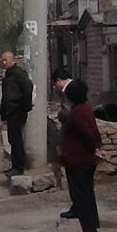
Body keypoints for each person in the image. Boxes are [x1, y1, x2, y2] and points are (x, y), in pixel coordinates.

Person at [58, 78, 102, 232]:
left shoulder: (78, 112)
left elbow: (88, 134)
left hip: (79, 160)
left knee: (81, 195)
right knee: (87, 194)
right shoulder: (85, 109)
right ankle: (92, 227)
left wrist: (93, 147)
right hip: (84, 159)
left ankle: (88, 230)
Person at [0, 50, 34, 176]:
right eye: (2, 60)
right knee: (12, 139)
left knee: (16, 139)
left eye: (5, 60)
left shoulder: (18, 73)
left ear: (12, 60)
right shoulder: (8, 74)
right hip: (10, 112)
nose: (3, 63)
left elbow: (28, 88)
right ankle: (15, 165)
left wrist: (24, 106)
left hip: (17, 111)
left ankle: (19, 167)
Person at [48, 69, 74, 214]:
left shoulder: (69, 90)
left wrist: (61, 114)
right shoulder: (70, 89)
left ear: (58, 81)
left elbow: (68, 112)